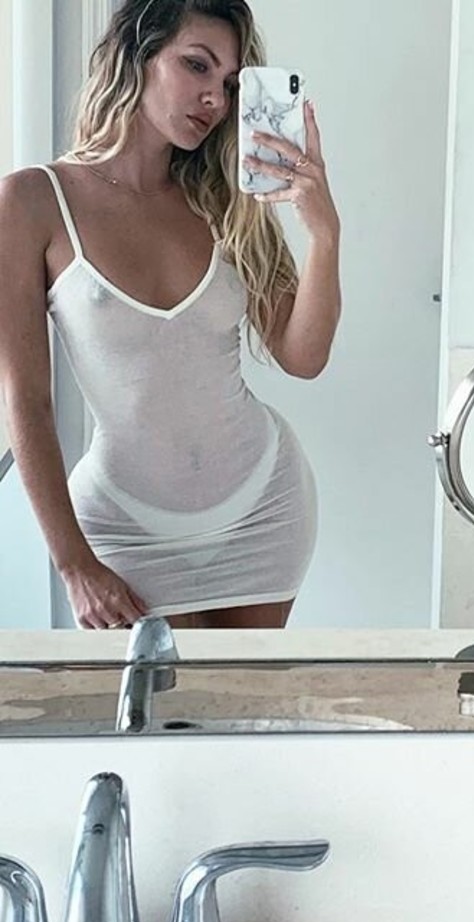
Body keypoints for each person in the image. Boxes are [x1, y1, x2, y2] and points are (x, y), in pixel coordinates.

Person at [0, 0, 341, 630]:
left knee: (244, 695)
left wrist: (323, 234)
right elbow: (26, 401)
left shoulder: (226, 202)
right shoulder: (32, 201)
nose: (214, 98)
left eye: (230, 84)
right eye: (196, 65)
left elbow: (304, 356)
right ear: (139, 54)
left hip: (262, 508)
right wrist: (74, 565)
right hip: (124, 526)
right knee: (157, 696)